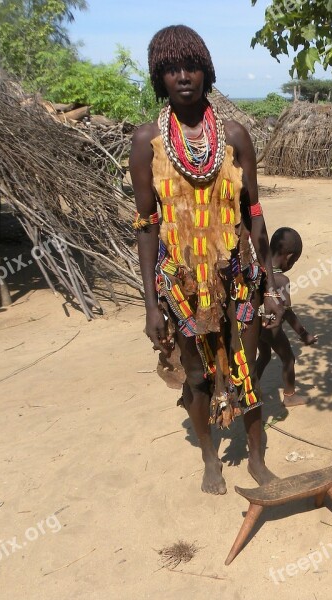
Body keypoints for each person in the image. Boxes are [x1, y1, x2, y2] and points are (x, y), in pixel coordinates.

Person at [129, 25, 283, 495]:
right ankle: (210, 459)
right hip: (181, 289)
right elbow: (146, 226)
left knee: (247, 364)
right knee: (196, 377)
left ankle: (256, 459)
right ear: (160, 76)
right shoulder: (146, 142)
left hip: (237, 279)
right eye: (172, 68)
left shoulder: (234, 135)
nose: (183, 76)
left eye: (191, 66)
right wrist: (152, 305)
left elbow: (254, 214)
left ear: (206, 71)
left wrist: (272, 282)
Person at [256, 227, 318, 408]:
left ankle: (252, 388)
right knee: (289, 359)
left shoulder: (261, 272)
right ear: (289, 257)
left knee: (265, 355)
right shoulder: (282, 280)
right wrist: (303, 334)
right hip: (273, 330)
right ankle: (290, 395)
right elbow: (287, 313)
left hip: (258, 326)